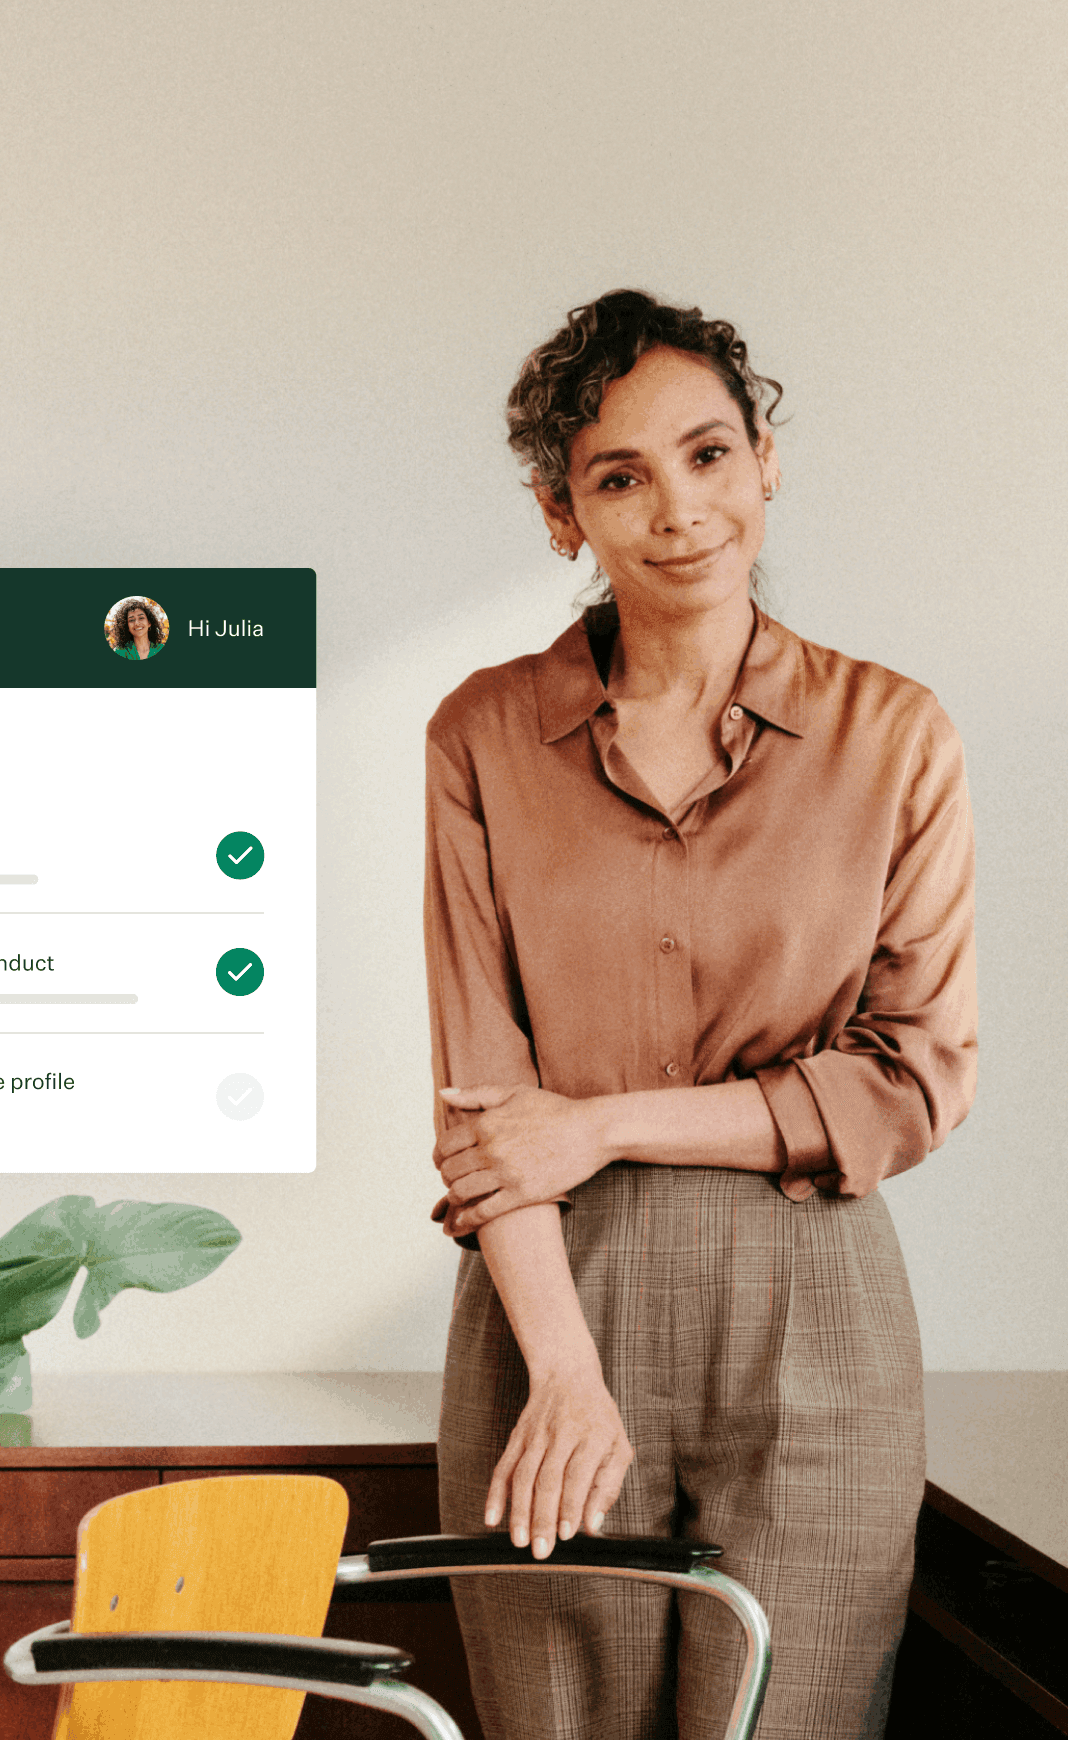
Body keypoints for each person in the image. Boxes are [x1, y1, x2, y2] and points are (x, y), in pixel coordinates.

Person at [424, 289, 975, 1740]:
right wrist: (563, 1377)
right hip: (554, 1303)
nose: (680, 510)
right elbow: (486, 1106)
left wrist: (602, 1120)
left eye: (709, 454)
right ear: (564, 516)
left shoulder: (894, 735)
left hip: (818, 1307)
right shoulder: (481, 733)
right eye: (621, 477)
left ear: (766, 462)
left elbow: (912, 1080)